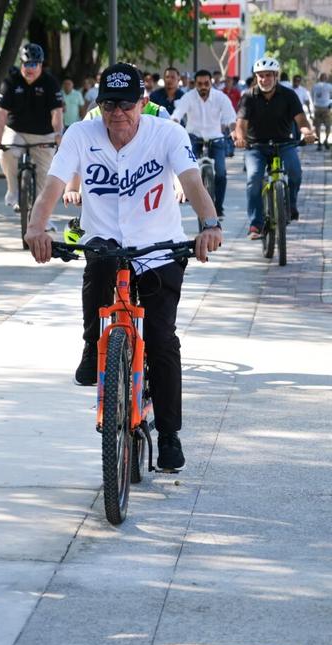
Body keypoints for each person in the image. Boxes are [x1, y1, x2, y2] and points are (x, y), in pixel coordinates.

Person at [25, 62, 224, 472]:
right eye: (109, 104)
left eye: (127, 104)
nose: (118, 113)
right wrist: (36, 227)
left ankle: (169, 435)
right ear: (99, 106)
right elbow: (54, 185)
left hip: (158, 248)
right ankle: (90, 347)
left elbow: (192, 183)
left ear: (143, 103)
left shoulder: (167, 133)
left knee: (161, 339)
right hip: (105, 245)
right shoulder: (82, 134)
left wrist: (209, 225)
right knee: (95, 282)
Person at [234, 57, 315, 240]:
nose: (264, 79)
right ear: (256, 77)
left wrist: (307, 132)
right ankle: (255, 224)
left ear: (276, 76)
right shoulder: (248, 96)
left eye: (268, 75)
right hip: (256, 146)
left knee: (295, 172)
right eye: (261, 76)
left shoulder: (288, 95)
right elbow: (241, 124)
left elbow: (301, 119)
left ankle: (291, 204)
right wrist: (240, 138)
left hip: (285, 144)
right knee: (253, 178)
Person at [0, 43, 64, 213]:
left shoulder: (50, 82)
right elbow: (1, 112)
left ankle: (42, 218)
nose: (30, 69)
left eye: (34, 64)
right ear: (21, 63)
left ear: (40, 65)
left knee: (45, 175)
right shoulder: (11, 81)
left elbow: (57, 112)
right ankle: (13, 191)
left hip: (44, 134)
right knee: (6, 152)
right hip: (16, 130)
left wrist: (58, 134)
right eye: (26, 64)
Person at [171, 69, 236, 217]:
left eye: (206, 83)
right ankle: (188, 197)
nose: (203, 87)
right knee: (187, 170)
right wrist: (173, 125)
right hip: (193, 137)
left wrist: (233, 131)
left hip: (216, 138)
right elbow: (177, 115)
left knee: (221, 173)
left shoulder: (221, 97)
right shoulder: (188, 97)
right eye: (199, 84)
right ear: (195, 84)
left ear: (211, 83)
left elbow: (230, 118)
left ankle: (218, 207)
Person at [311, 73, 332, 149]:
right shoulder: (329, 86)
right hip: (326, 108)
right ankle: (326, 140)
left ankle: (319, 142)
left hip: (317, 108)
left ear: (319, 78)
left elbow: (312, 96)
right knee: (328, 125)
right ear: (326, 78)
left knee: (317, 126)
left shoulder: (314, 86)